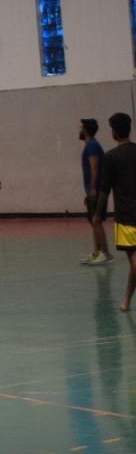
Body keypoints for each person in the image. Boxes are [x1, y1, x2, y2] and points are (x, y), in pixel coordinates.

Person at [95, 112, 136, 311]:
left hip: (127, 218)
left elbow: (104, 190)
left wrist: (97, 214)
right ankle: (126, 300)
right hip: (128, 217)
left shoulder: (111, 157)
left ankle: (126, 300)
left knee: (134, 262)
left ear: (114, 132)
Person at [80, 118, 111, 265]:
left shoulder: (92, 145)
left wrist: (92, 189)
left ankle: (105, 254)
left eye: (81, 128)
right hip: (93, 190)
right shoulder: (91, 144)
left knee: (96, 220)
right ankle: (97, 252)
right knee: (93, 221)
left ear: (86, 130)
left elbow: (94, 167)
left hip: (96, 189)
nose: (79, 131)